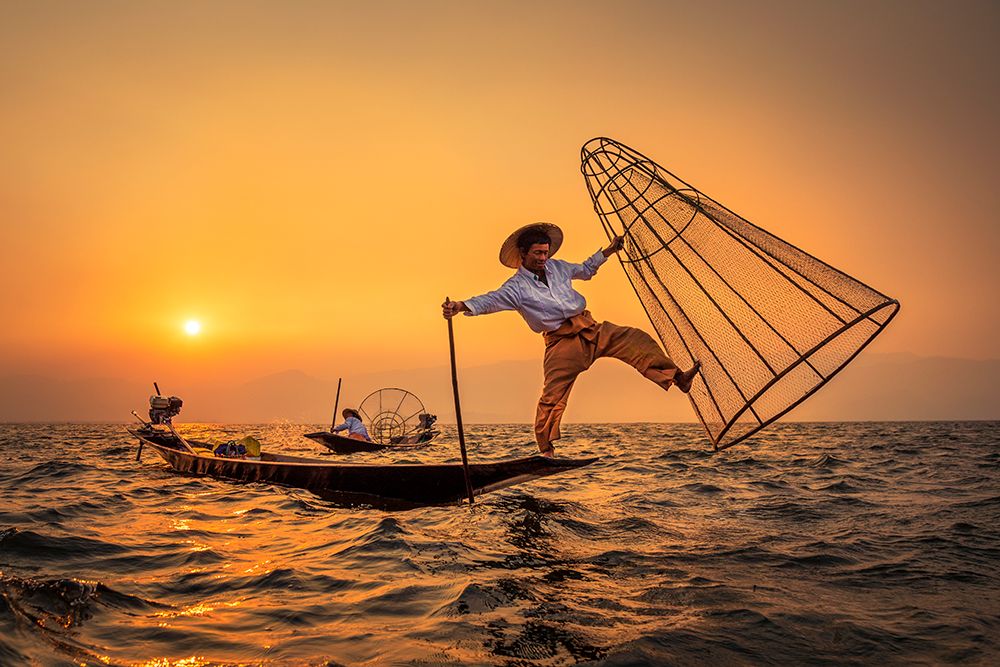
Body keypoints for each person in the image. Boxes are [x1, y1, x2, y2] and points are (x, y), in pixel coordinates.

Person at [442, 222, 700, 457]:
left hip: (589, 327)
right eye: (537, 254)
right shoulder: (516, 287)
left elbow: (586, 270)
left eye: (545, 253)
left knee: (635, 339)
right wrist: (461, 305)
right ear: (524, 253)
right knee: (552, 396)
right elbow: (489, 300)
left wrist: (608, 251)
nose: (543, 258)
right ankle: (546, 449)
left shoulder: (557, 267)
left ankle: (678, 378)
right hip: (560, 342)